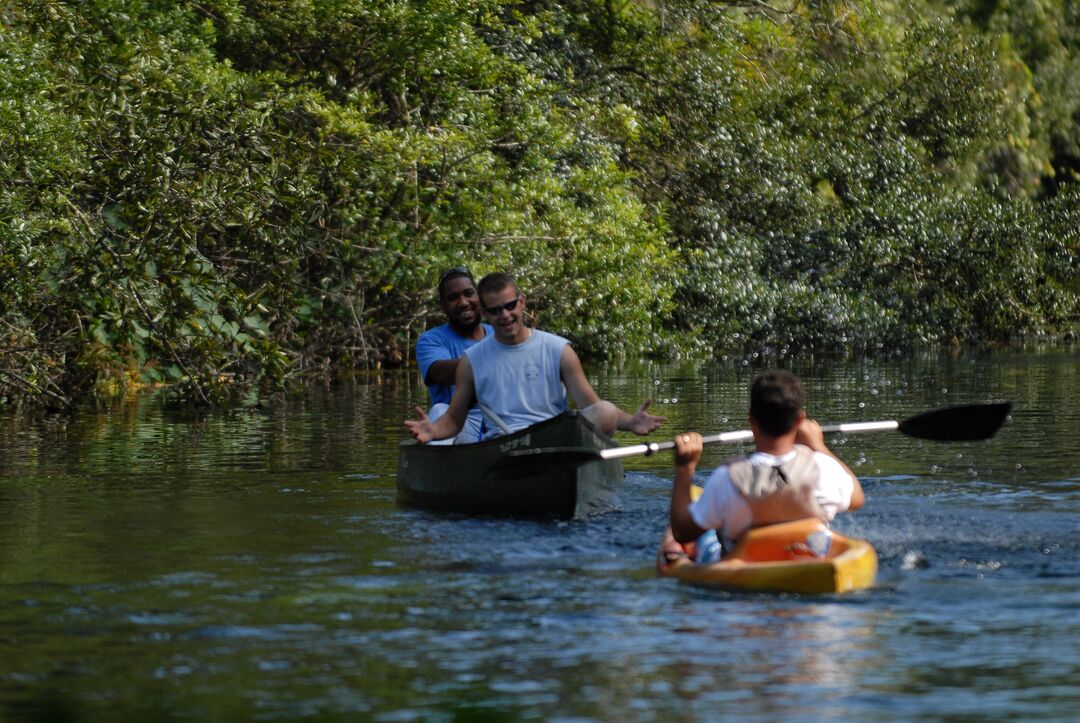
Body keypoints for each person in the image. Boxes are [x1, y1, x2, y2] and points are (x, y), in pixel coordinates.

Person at [405, 272, 666, 442]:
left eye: (509, 306)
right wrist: (433, 430)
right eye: (496, 311)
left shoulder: (559, 349)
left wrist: (631, 422)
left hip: (552, 438)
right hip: (502, 445)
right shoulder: (471, 360)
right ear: (485, 313)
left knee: (605, 410)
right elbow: (452, 420)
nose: (505, 316)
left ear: (522, 303)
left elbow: (591, 404)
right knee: (441, 411)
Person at [664, 370, 864, 565]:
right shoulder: (823, 467)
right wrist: (818, 446)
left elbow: (683, 533)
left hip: (742, 572)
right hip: (809, 560)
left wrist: (685, 468)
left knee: (689, 520)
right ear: (800, 420)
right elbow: (857, 499)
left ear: (751, 419)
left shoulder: (726, 478)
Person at [414, 266, 493, 444]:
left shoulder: (499, 333)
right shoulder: (431, 339)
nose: (464, 302)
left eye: (469, 294)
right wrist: (497, 359)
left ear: (479, 297)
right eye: (453, 297)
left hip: (500, 420)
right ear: (443, 306)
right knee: (440, 410)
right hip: (458, 424)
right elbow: (439, 373)